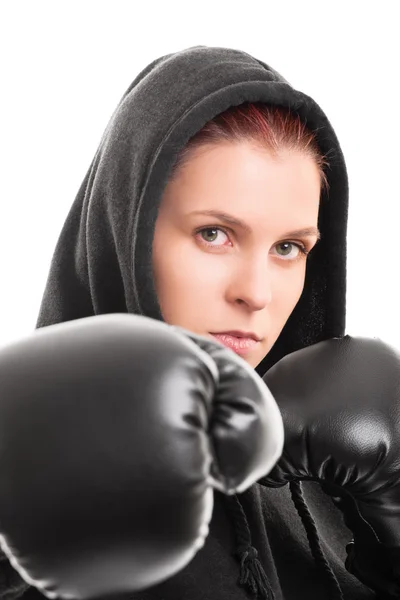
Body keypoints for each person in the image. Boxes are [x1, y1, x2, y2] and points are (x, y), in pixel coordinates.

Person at [0, 45, 399, 600]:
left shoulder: (325, 473)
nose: (256, 294)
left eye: (289, 247)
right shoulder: (22, 465)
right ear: (127, 232)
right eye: (215, 234)